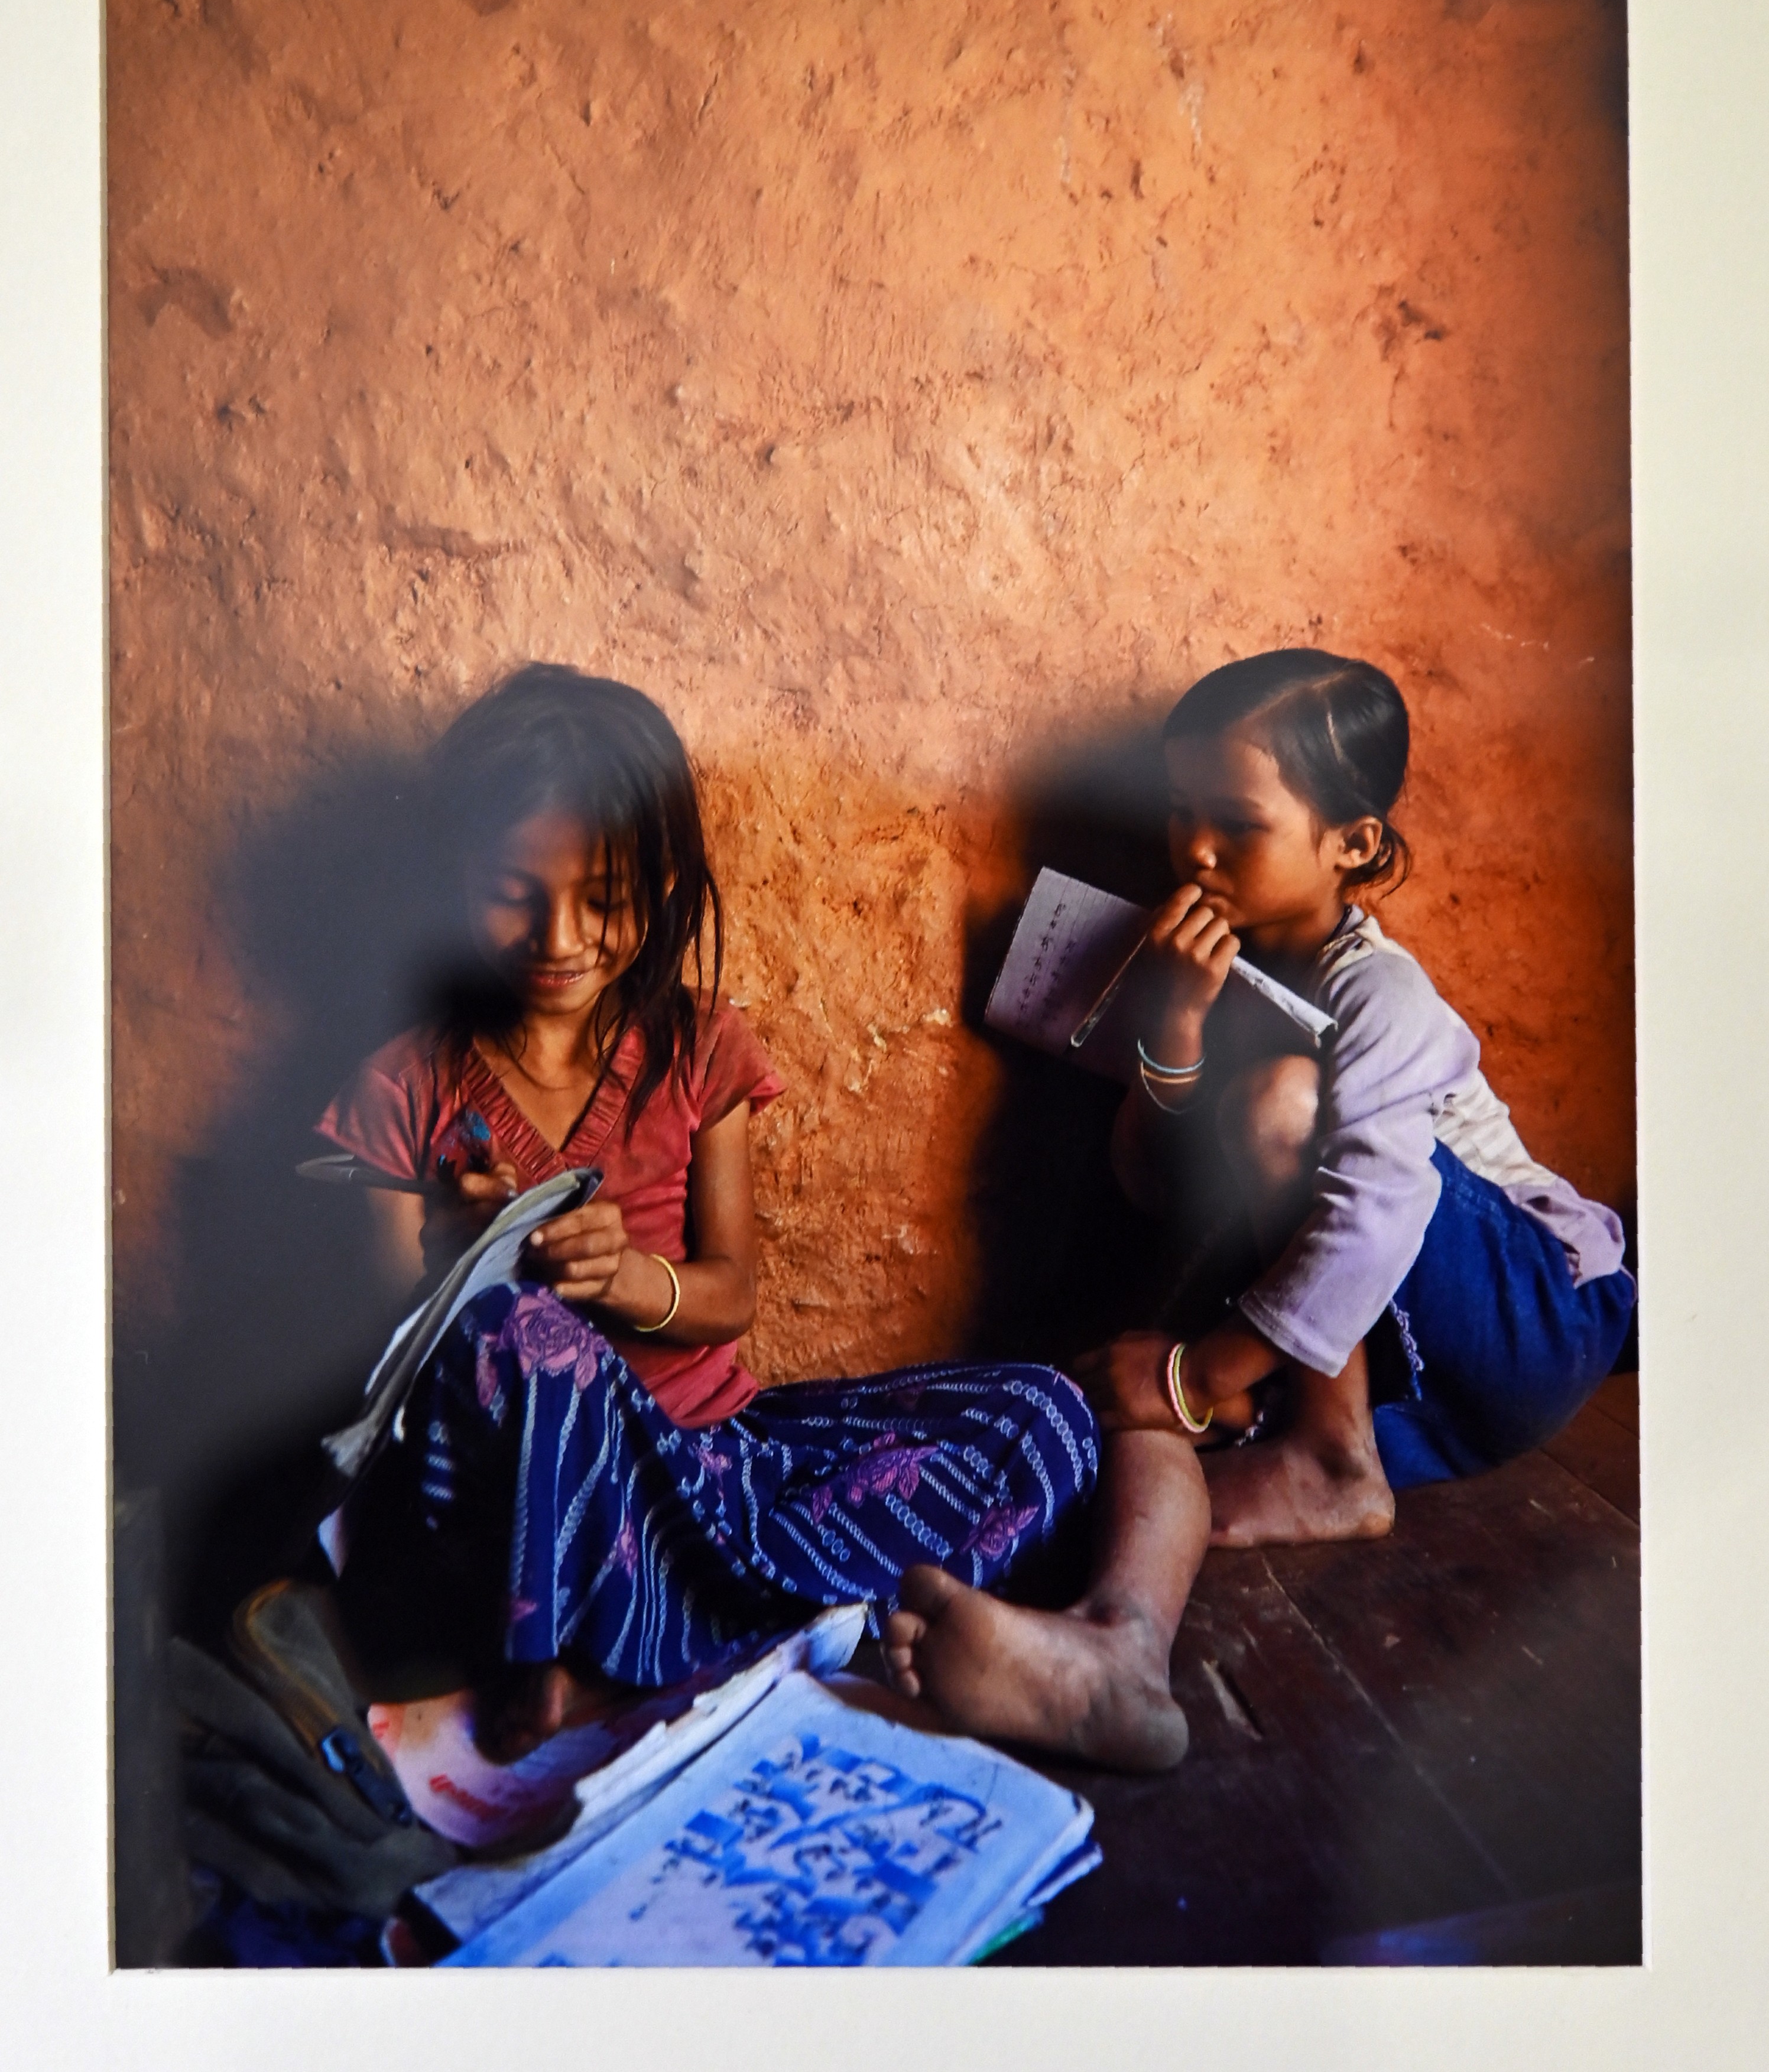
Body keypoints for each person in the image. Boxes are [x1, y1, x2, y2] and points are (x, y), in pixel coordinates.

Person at [317, 664, 1204, 1766]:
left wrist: (643, 1282)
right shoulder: (405, 1088)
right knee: (521, 1339)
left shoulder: (696, 1049)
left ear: (666, 882)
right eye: (514, 891)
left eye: (605, 897)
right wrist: (456, 1264)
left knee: (1043, 1407)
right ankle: (634, 1648)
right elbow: (375, 1367)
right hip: (555, 1526)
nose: (560, 936)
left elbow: (728, 1297)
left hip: (727, 1467)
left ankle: (691, 1643)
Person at [1072, 649, 1636, 1547]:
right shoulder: (1220, 965)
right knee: (1127, 1456)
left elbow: (1379, 1212)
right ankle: (1318, 1435)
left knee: (1283, 1101)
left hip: (1534, 1318)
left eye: (1237, 823)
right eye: (1180, 811)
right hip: (1414, 1373)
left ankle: (1326, 1458)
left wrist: (1198, 1373)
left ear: (1355, 843)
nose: (1195, 849)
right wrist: (1174, 1025)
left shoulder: (1378, 992)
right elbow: (1154, 1189)